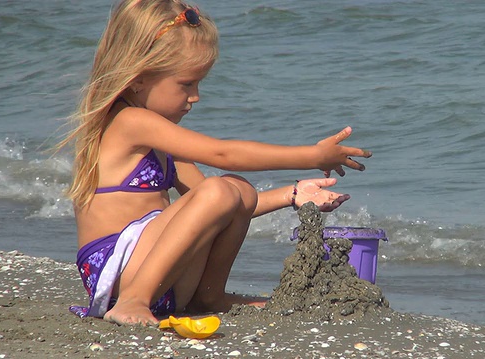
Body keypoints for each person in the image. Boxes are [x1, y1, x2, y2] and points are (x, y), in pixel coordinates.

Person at [57, 0, 371, 326]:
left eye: (198, 83)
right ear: (138, 78)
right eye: (186, 84)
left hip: (158, 277)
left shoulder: (160, 139)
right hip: (116, 276)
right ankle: (132, 303)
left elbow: (222, 204)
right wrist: (311, 157)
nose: (195, 97)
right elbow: (223, 155)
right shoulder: (129, 121)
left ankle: (209, 296)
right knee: (220, 188)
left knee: (237, 189)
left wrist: (292, 194)